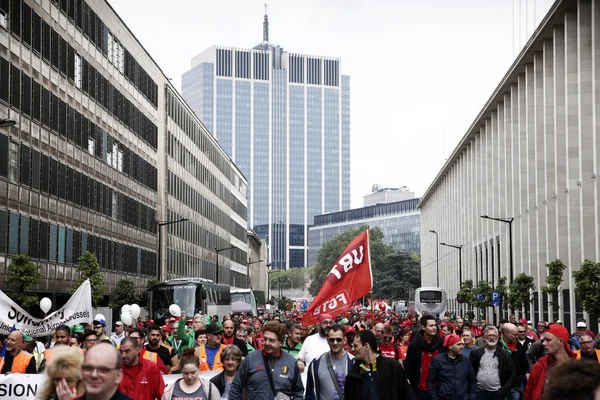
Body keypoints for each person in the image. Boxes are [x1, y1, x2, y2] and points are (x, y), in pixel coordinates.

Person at [229, 321, 303, 399]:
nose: (267, 343)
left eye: (271, 340)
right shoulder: (251, 359)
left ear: (281, 342)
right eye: (265, 339)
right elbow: (235, 387)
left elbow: (298, 392)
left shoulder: (291, 362)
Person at [345, 330, 415, 400]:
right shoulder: (353, 374)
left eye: (355, 346)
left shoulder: (392, 367)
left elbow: (408, 395)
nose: (352, 349)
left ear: (366, 346)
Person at [525, 323, 578, 400]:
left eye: (548, 340)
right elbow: (528, 395)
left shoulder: (577, 368)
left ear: (560, 341)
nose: (543, 343)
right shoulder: (539, 367)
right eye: (544, 340)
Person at [305, 324, 354, 400]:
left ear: (344, 340)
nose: (335, 343)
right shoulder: (316, 363)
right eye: (332, 339)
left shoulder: (353, 362)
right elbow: (309, 393)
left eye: (339, 339)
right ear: (327, 340)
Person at [405, 315, 445, 400]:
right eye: (431, 326)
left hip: (438, 388)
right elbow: (409, 366)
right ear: (423, 327)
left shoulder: (441, 343)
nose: (434, 328)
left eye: (435, 325)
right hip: (420, 388)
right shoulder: (414, 345)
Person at [470, 325, 515, 400]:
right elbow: (471, 371)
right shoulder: (476, 353)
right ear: (484, 337)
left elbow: (512, 373)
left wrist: (503, 390)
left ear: (498, 337)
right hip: (480, 392)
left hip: (497, 393)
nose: (492, 338)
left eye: (494, 335)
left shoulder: (504, 354)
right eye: (489, 335)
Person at [427, 333, 477, 400]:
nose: (462, 346)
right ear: (450, 346)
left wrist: (471, 397)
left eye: (461, 344)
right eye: (458, 344)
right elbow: (430, 381)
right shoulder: (437, 360)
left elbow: (472, 381)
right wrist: (435, 398)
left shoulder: (466, 360)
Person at [500, 323, 529, 399]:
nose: (516, 337)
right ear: (506, 334)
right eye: (514, 335)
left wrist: (527, 373)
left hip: (515, 384)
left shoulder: (518, 345)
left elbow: (524, 362)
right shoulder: (497, 346)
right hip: (501, 385)